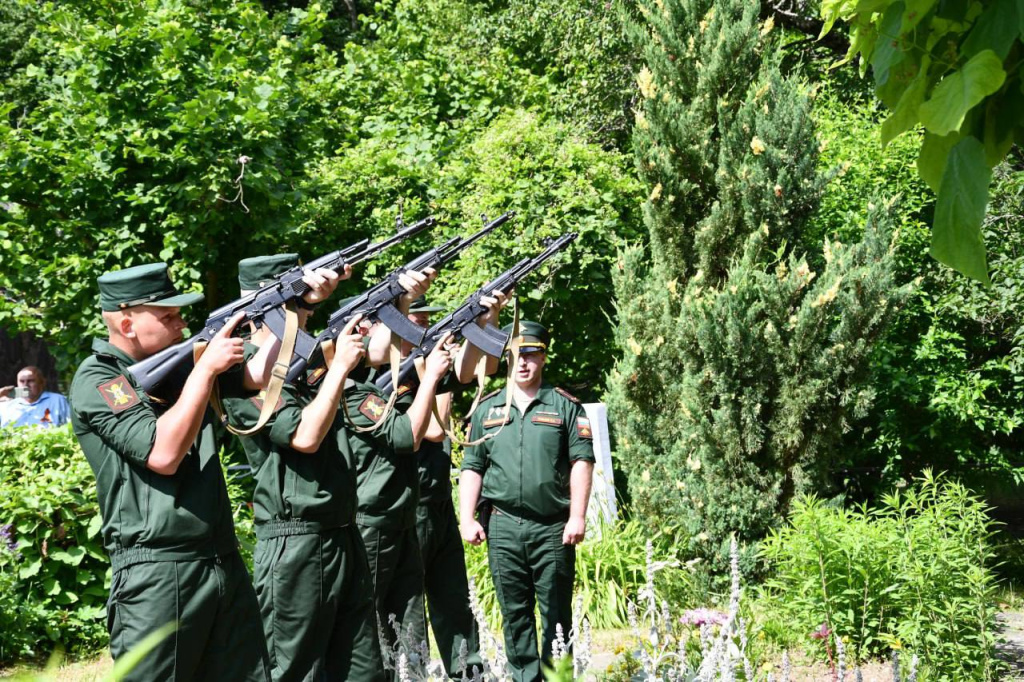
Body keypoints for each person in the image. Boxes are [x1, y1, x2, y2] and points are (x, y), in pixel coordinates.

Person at [69, 262, 271, 682]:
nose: (182, 325)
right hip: (158, 571)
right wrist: (205, 371)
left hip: (220, 558)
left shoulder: (181, 367)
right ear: (127, 323)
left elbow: (258, 376)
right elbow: (162, 453)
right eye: (168, 317)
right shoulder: (101, 379)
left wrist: (285, 311)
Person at [216, 253, 395, 682]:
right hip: (294, 540)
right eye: (293, 293)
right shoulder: (239, 374)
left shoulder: (303, 355)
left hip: (340, 530)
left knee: (361, 669)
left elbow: (375, 351)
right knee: (294, 669)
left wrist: (393, 300)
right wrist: (338, 370)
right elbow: (305, 435)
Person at [459, 321, 595, 682]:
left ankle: (558, 678)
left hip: (552, 528)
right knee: (514, 614)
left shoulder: (565, 407)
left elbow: (582, 462)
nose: (523, 363)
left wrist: (577, 516)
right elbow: (472, 465)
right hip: (503, 527)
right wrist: (466, 518)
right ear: (507, 358)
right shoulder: (487, 410)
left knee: (557, 617)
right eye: (516, 355)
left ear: (543, 357)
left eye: (531, 354)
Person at [0, 366, 71, 428]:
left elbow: (70, 426)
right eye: (22, 381)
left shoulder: (58, 400)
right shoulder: (6, 404)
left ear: (42, 382)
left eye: (30, 381)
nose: (25, 385)